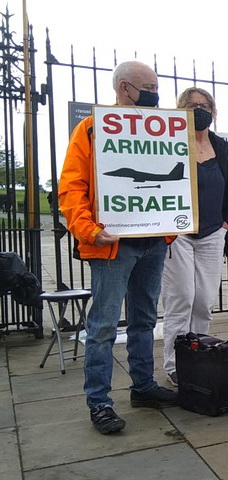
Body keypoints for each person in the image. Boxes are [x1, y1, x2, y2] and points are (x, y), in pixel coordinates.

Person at [58, 60, 177, 434]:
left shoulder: (164, 132)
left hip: (154, 242)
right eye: (149, 86)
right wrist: (89, 230)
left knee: (144, 320)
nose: (155, 93)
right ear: (125, 87)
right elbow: (71, 187)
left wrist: (175, 224)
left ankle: (142, 386)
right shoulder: (91, 129)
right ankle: (99, 402)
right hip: (112, 246)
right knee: (104, 325)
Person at [161, 87, 228, 386]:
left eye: (205, 105)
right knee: (181, 298)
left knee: (204, 301)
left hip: (212, 233)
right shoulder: (169, 142)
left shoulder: (220, 147)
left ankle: (198, 356)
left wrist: (225, 224)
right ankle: (174, 364)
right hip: (178, 234)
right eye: (193, 105)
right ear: (181, 108)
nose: (199, 109)